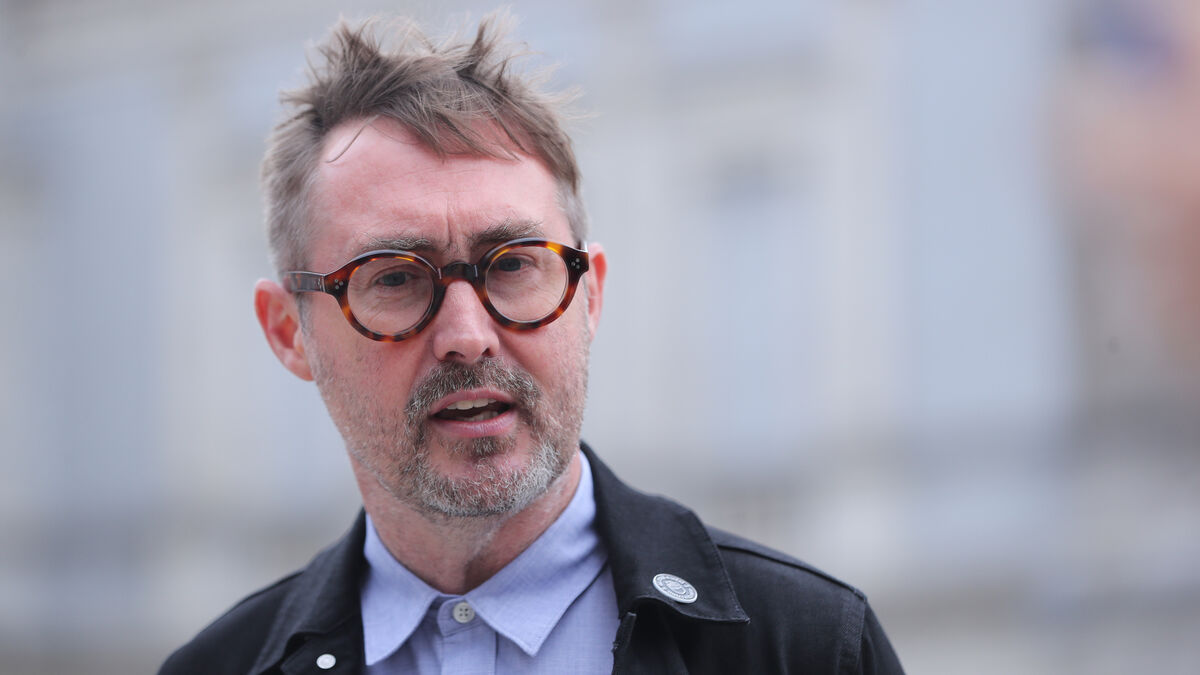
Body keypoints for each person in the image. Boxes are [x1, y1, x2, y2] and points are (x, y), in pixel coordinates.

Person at [159, 13, 904, 675]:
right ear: (288, 332)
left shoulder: (808, 648)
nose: (466, 335)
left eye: (512, 265)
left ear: (589, 295)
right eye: (396, 278)